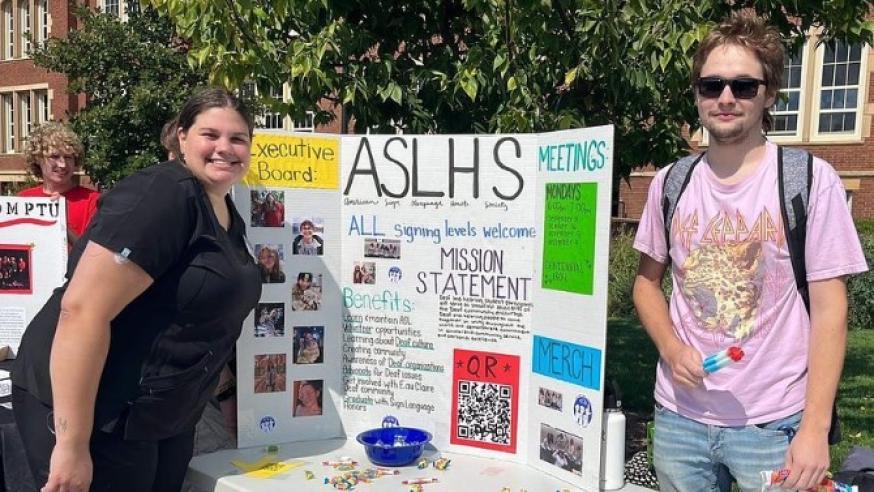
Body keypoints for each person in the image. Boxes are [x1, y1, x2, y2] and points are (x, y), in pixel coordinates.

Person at [632, 14, 868, 492]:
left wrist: (815, 428)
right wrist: (671, 349)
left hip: (774, 424)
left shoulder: (809, 181)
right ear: (696, 94)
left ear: (770, 94)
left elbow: (830, 309)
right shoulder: (670, 183)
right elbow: (645, 284)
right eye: (711, 85)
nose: (725, 98)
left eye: (743, 86)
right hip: (679, 420)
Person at [11, 87, 262, 492]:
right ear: (182, 137)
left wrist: (229, 395)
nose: (225, 148)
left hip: (164, 414)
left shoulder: (226, 211)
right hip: (99, 409)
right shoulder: (164, 193)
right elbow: (82, 311)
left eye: (238, 138)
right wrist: (72, 445)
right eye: (210, 134)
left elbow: (208, 321)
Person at [18, 122, 100, 248]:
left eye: (68, 157)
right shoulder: (23, 200)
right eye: (54, 156)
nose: (62, 164)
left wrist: (62, 224)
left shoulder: (93, 201)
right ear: (38, 159)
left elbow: (94, 254)